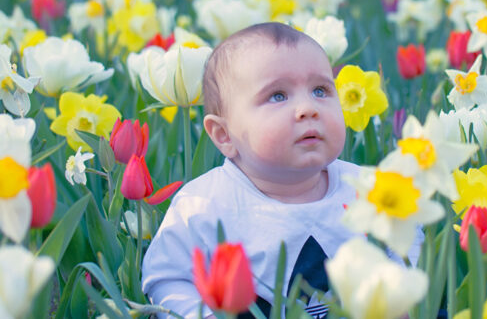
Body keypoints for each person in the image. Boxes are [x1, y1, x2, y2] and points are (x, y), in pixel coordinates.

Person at [141, 22, 422, 318]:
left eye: (320, 90)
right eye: (278, 96)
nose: (308, 108)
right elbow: (166, 279)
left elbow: (408, 243)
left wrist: (399, 298)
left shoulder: (369, 188)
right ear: (224, 135)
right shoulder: (202, 205)